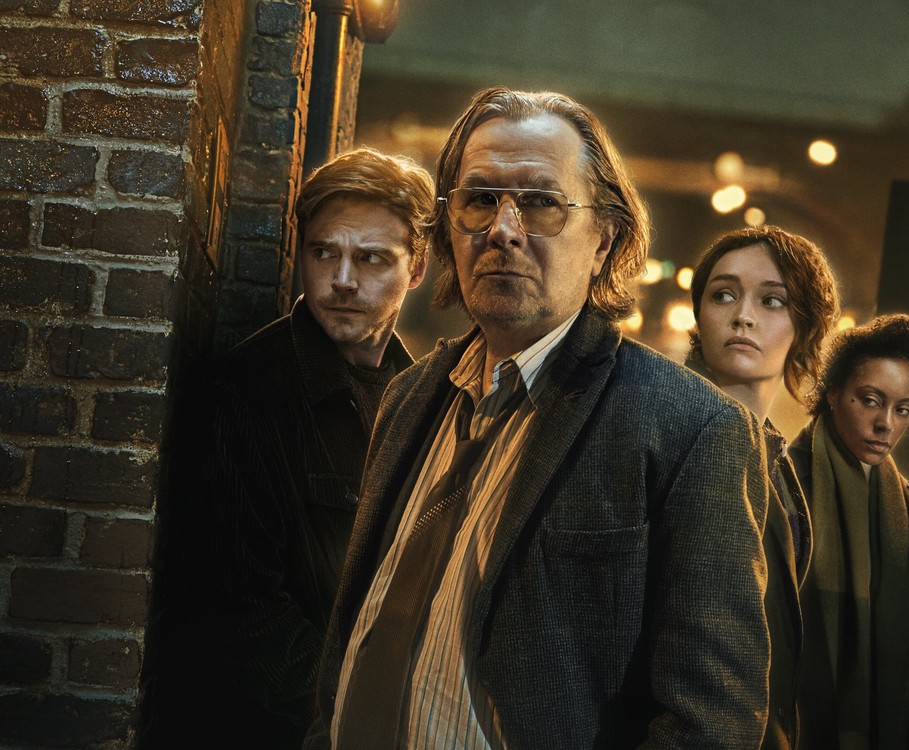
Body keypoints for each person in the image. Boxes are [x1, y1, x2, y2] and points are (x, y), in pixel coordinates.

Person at [309, 87, 771, 750]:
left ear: (605, 238)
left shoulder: (692, 431)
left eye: (540, 203)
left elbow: (711, 724)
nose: (502, 229)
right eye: (479, 199)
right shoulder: (409, 396)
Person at [146, 147, 432, 748]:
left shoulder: (425, 402)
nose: (342, 279)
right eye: (323, 252)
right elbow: (237, 609)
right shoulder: (247, 393)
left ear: (417, 268)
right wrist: (352, 715)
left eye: (371, 258)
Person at [687, 225, 840, 749]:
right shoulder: (672, 437)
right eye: (722, 295)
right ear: (699, 314)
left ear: (805, 327)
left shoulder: (776, 459)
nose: (743, 316)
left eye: (772, 300)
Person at [790, 313, 909, 750]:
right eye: (871, 400)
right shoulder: (786, 483)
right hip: (799, 725)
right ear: (833, 394)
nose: (886, 424)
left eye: (902, 409)